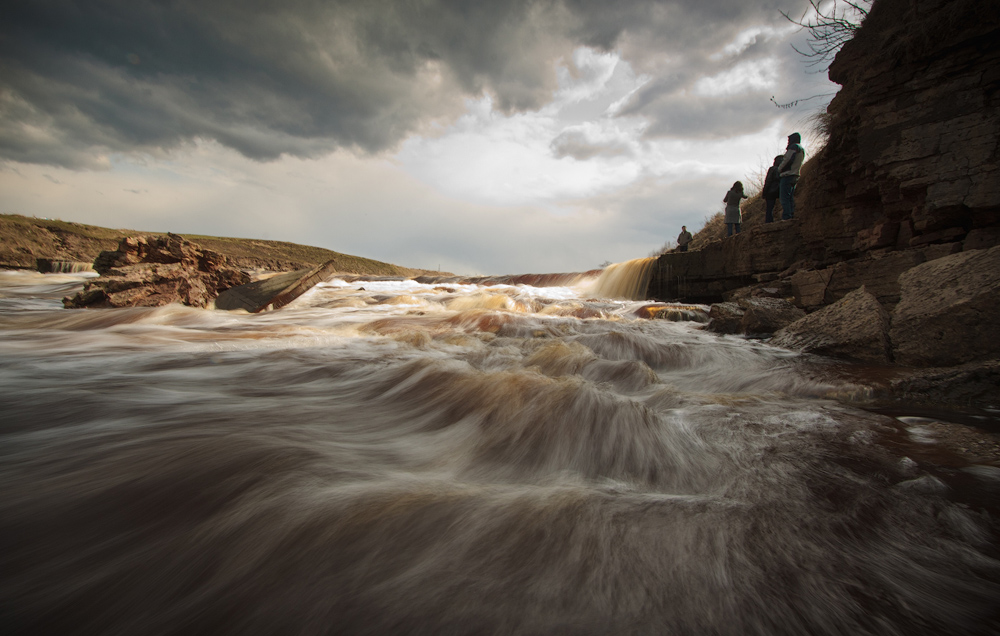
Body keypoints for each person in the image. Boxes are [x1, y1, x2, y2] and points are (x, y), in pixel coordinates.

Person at [778, 132, 805, 220]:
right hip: (796, 174)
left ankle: (787, 217)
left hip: (788, 174)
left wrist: (779, 169)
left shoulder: (793, 147)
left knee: (784, 198)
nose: (788, 142)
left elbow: (787, 159)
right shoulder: (801, 149)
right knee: (790, 197)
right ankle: (791, 214)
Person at [762, 155, 783, 223]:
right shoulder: (783, 169)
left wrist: (764, 192)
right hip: (780, 190)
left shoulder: (772, 169)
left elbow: (768, 181)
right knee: (783, 204)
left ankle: (769, 221)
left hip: (771, 191)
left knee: (769, 208)